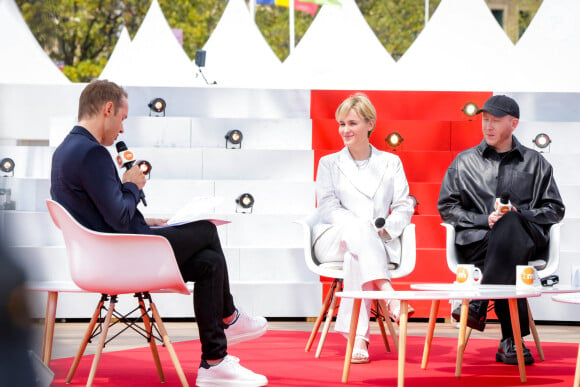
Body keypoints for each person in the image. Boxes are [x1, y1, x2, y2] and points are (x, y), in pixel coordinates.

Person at [50, 80, 268, 386]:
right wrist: (132, 185)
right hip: (123, 258)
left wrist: (148, 221)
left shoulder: (65, 151)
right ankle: (229, 317)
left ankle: (214, 362)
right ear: (108, 109)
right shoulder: (92, 153)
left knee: (209, 263)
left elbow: (103, 217)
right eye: (123, 119)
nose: (122, 130)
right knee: (206, 229)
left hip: (109, 255)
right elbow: (122, 218)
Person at [438, 95, 565, 366]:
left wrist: (521, 216)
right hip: (478, 242)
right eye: (485, 119)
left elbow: (555, 209)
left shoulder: (536, 163)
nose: (488, 126)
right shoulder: (464, 161)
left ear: (514, 123)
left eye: (495, 120)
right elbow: (447, 207)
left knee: (511, 226)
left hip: (524, 240)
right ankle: (512, 340)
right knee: (509, 246)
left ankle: (478, 304)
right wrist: (485, 220)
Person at [311, 93, 414, 364]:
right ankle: (388, 293)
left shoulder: (391, 162)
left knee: (356, 255)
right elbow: (328, 207)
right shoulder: (329, 163)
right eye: (341, 124)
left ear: (370, 124)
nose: (345, 130)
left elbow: (404, 205)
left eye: (352, 123)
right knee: (357, 232)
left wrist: (385, 228)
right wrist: (360, 226)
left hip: (376, 240)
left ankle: (359, 338)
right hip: (334, 237)